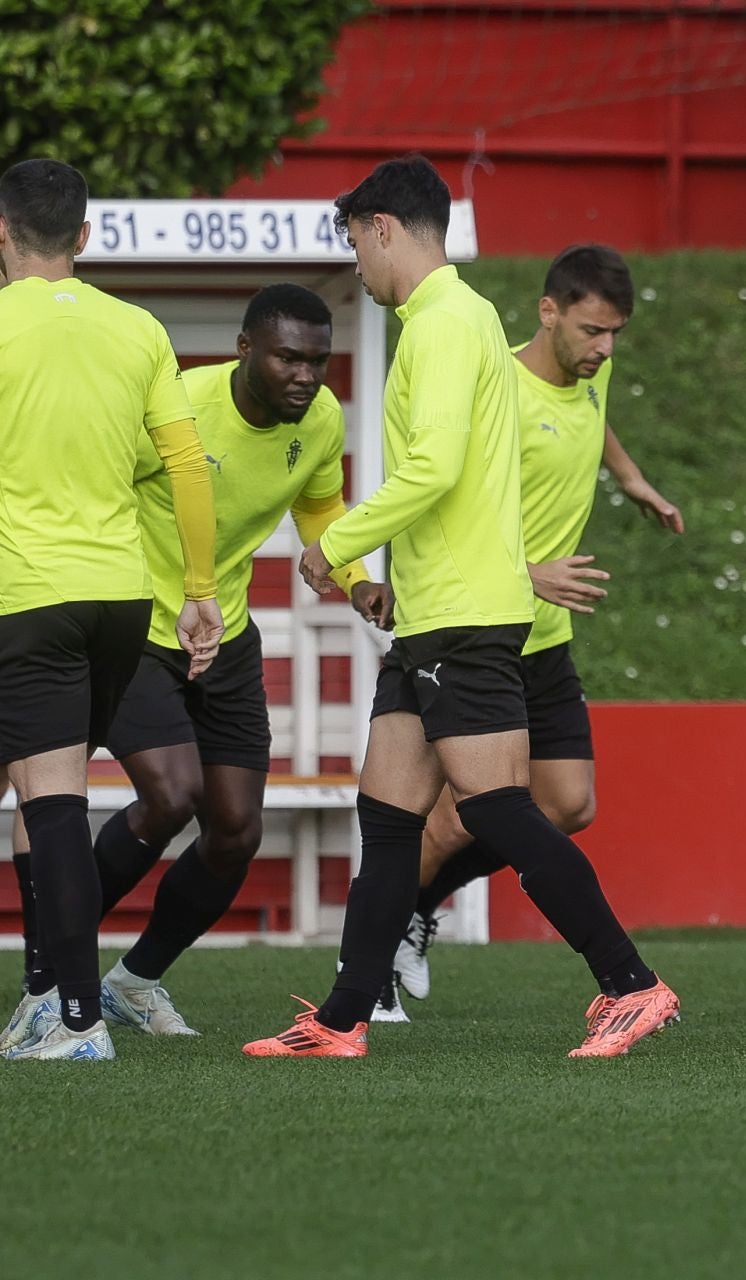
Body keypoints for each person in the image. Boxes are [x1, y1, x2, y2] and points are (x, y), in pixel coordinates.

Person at [242, 155, 678, 1059]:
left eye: (354, 242)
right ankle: (342, 1019)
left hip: (467, 616)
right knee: (391, 819)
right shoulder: (467, 317)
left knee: (500, 811)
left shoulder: (440, 325)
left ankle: (632, 986)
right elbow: (465, 474)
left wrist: (337, 544)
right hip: (438, 612)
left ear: (382, 228)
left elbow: (433, 469)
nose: (355, 264)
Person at [76, 285, 388, 1037]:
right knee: (170, 795)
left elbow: (318, 505)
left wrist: (356, 576)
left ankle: (135, 980)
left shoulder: (318, 420)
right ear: (245, 348)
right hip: (136, 631)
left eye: (317, 359)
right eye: (288, 357)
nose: (306, 375)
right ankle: (55, 967)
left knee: (236, 828)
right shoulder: (177, 405)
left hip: (229, 637)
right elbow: (99, 491)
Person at [390, 243, 684, 1007]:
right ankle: (381, 948)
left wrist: (631, 479)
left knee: (568, 804)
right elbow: (451, 510)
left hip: (544, 637)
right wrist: (528, 570)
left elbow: (594, 418)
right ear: (547, 311)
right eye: (592, 330)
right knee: (456, 817)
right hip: (483, 625)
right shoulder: (504, 395)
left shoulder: (593, 371)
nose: (605, 349)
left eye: (616, 333)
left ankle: (416, 911)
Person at [0, 158, 222, 1061]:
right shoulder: (138, 330)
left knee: (51, 798)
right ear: (85, 238)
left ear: (3, 236)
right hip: (122, 603)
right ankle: (41, 1001)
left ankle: (79, 1020)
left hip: (30, 595)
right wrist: (200, 591)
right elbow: (187, 466)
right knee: (35, 787)